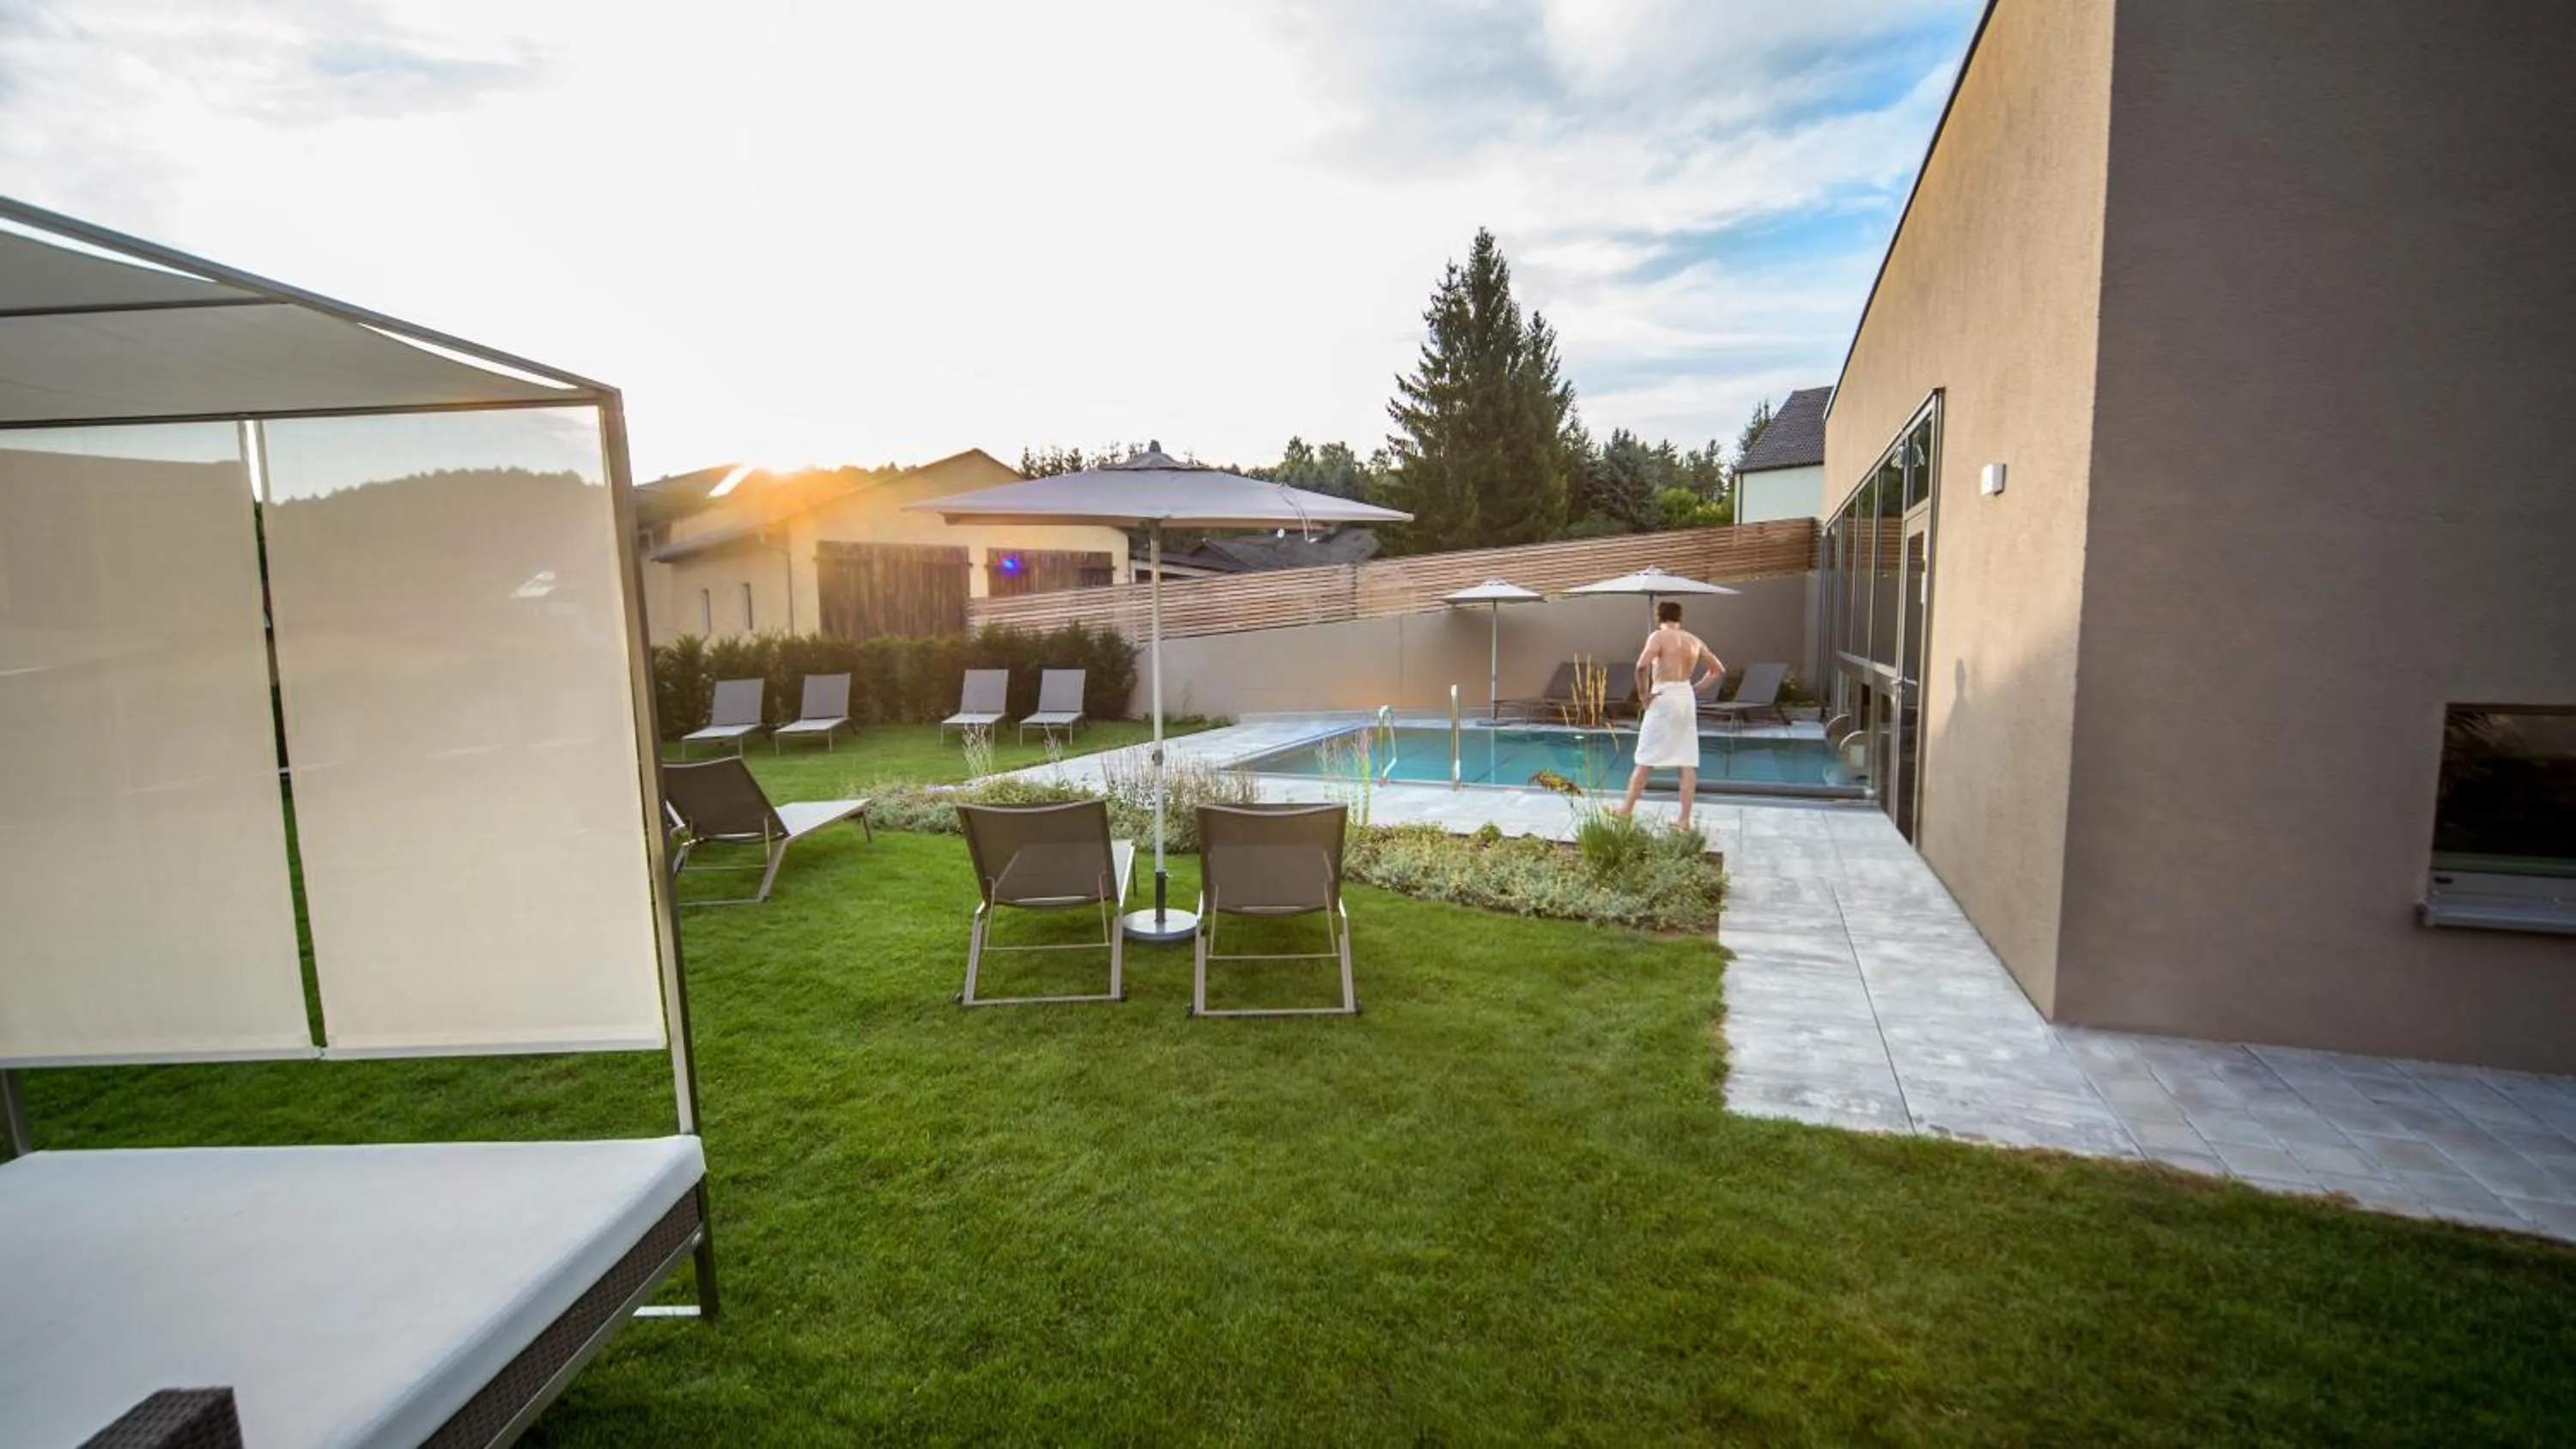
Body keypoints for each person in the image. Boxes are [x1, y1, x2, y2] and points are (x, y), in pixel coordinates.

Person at [1614, 600, 1723, 828]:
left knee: (1645, 756)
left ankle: (1626, 810)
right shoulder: (1693, 640)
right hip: (1685, 696)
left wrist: (1643, 695)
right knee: (1686, 761)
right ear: (1680, 617)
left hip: (1664, 696)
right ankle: (1684, 820)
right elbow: (1717, 670)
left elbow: (1641, 666)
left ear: (1659, 617)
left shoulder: (1658, 636)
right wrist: (1694, 689)